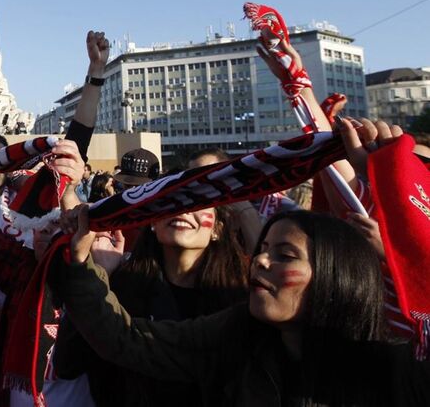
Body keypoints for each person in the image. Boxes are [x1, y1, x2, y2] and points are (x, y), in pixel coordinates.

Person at [52, 124, 430, 407]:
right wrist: (84, 265)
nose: (261, 260)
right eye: (263, 248)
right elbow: (126, 340)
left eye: (285, 255)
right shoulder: (233, 333)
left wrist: (391, 182)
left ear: (336, 273)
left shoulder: (394, 370)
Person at [56, 153, 248, 405]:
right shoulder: (122, 284)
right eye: (171, 201)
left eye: (196, 201)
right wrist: (101, 275)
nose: (184, 209)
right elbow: (68, 363)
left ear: (218, 228)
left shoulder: (243, 293)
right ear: (153, 221)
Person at [0, 138, 94, 407]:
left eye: (55, 224)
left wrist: (69, 186)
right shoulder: (21, 267)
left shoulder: (98, 274)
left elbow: (79, 223)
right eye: (40, 225)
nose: (45, 231)